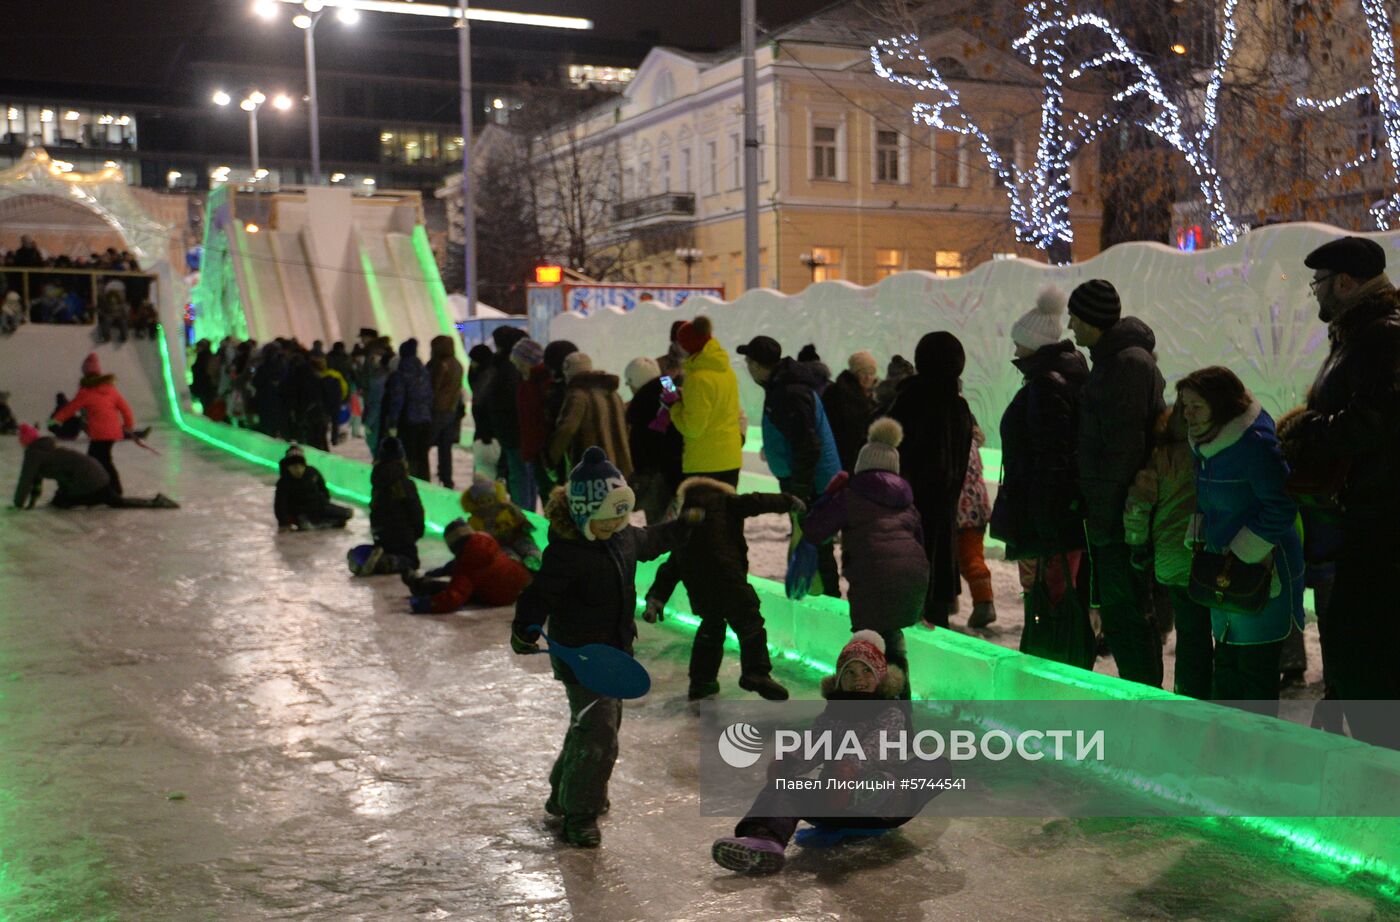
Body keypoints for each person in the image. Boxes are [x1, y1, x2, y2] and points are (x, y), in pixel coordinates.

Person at [510, 447, 699, 848]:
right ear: (583, 513)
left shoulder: (622, 536)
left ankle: (565, 794)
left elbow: (651, 539)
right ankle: (580, 813)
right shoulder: (566, 553)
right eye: (607, 516)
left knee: (591, 726)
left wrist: (683, 525)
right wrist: (525, 629)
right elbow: (539, 594)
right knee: (599, 735)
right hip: (580, 657)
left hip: (614, 655)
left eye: (622, 513)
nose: (617, 523)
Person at [1286, 235, 1400, 746]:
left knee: (1367, 655)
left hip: (1383, 524)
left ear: (1346, 283)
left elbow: (1377, 420)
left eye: (1319, 283)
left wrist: (1311, 432)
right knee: (1359, 654)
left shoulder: (1383, 337)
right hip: (1366, 521)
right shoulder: (1362, 335)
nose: (1314, 293)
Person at [711, 631, 946, 875]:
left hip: (882, 808)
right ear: (840, 679)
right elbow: (814, 743)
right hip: (834, 802)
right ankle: (764, 843)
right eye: (850, 673)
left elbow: (877, 747)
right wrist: (789, 762)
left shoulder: (891, 713)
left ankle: (873, 791)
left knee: (933, 765)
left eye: (867, 672)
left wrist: (849, 769)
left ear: (880, 677)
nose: (859, 679)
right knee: (784, 788)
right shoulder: (833, 715)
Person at [1179, 367, 1303, 710]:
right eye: (1185, 405)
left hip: (1261, 574)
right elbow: (1206, 500)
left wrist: (1246, 549)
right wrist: (1200, 533)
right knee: (1227, 667)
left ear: (1220, 405)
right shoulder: (1204, 446)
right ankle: (1227, 752)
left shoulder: (1254, 445)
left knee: (1254, 673)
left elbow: (1282, 504)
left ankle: (1257, 755)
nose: (1187, 414)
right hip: (1224, 572)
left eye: (1196, 406)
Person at [1068, 279, 1166, 687]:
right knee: (1125, 616)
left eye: (1076, 316)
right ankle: (1139, 697)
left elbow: (1122, 452)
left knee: (1128, 616)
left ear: (1092, 319)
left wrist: (1109, 523)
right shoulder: (1115, 361)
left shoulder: (1124, 365)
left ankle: (1143, 703)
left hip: (1122, 520)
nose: (1071, 325)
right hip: (1118, 515)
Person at [990, 287, 1092, 667]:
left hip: (1049, 509)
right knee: (1059, 585)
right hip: (1061, 507)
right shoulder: (1068, 375)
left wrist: (1042, 513)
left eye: (1019, 344)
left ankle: (1052, 655)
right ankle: (1058, 651)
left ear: (1034, 344)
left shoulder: (1047, 384)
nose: (1016, 352)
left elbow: (1051, 454)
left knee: (1051, 588)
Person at [797, 419, 929, 697]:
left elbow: (814, 530)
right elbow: (920, 542)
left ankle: (875, 722)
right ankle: (901, 716)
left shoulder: (850, 495)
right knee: (891, 639)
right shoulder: (907, 500)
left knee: (868, 651)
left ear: (861, 465)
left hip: (872, 577)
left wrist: (823, 499)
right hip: (913, 576)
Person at [643, 476, 802, 701]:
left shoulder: (685, 527)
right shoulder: (725, 502)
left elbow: (670, 568)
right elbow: (757, 501)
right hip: (727, 575)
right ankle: (755, 672)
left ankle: (701, 683)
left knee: (712, 626)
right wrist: (788, 500)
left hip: (699, 586)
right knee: (750, 623)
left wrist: (655, 599)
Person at [738, 335, 842, 597]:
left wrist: (800, 491)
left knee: (816, 543)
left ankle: (827, 601)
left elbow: (808, 445)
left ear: (760, 365)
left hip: (812, 483)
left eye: (749, 362)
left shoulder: (787, 393)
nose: (748, 368)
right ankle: (820, 596)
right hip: (811, 479)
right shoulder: (783, 386)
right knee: (813, 542)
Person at [886, 332, 974, 626]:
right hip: (942, 521)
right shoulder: (959, 407)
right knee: (935, 611)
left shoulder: (908, 401)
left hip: (906, 520)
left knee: (903, 611)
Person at [1124, 405, 1202, 696]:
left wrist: (1136, 543)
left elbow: (1138, 504)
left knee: (1189, 630)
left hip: (1171, 554)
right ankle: (1204, 693)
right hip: (1209, 554)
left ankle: (1188, 690)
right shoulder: (1211, 455)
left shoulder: (1163, 457)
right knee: (1206, 630)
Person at [13, 425, 177, 509]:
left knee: (115, 502)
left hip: (90, 483)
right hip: (97, 477)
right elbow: (39, 478)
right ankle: (156, 502)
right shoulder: (46, 448)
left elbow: (26, 478)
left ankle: (156, 503)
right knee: (115, 501)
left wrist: (19, 504)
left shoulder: (34, 453)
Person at [666, 316, 744, 486]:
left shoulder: (697, 378)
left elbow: (692, 428)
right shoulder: (726, 370)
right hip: (730, 458)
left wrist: (675, 407)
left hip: (704, 461)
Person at [51, 353, 137, 495]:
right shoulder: (110, 389)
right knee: (101, 459)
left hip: (100, 433)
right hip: (113, 432)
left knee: (98, 461)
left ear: (85, 374)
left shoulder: (86, 391)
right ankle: (109, 488)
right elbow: (125, 408)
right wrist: (128, 424)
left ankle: (111, 489)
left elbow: (71, 408)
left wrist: (56, 419)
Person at [405, 518, 531, 614]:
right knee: (461, 574)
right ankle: (425, 579)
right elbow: (457, 565)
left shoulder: (468, 565)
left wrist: (427, 604)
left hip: (500, 596)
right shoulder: (484, 543)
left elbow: (454, 597)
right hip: (516, 586)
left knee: (453, 586)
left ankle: (423, 585)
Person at [545, 353, 633, 478]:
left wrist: (550, 460)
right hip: (620, 469)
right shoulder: (614, 394)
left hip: (593, 470)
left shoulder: (578, 396)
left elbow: (566, 429)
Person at [348, 437, 425, 576]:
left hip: (380, 534)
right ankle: (386, 562)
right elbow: (415, 511)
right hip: (402, 535)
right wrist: (417, 533)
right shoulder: (405, 483)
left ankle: (361, 556)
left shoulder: (377, 481)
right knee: (412, 561)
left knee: (385, 548)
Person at [623, 356, 684, 523]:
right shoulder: (671, 389)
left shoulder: (642, 403)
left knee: (658, 526)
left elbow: (645, 442)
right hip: (679, 468)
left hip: (657, 473)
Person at [485, 326, 535, 509]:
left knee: (519, 475)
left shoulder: (507, 368)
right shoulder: (507, 367)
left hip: (513, 432)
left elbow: (509, 401)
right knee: (520, 474)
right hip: (513, 431)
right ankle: (524, 513)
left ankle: (522, 516)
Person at [956, 425, 996, 629]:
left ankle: (984, 604)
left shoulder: (954, 438)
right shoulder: (970, 441)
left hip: (963, 509)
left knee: (970, 559)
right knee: (969, 556)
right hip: (976, 506)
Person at [458, 474, 542, 570]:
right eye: (482, 502)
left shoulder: (506, 508)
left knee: (525, 544)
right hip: (498, 543)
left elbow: (520, 518)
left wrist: (522, 524)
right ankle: (513, 563)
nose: (486, 504)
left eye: (489, 500)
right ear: (475, 503)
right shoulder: (475, 519)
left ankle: (533, 558)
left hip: (516, 535)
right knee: (504, 552)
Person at [384, 339, 433, 480]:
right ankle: (425, 482)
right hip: (425, 419)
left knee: (409, 454)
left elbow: (397, 399)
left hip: (408, 420)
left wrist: (392, 421)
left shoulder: (401, 373)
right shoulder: (424, 372)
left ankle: (411, 481)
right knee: (423, 455)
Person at [822, 351, 879, 473]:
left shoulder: (877, 397)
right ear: (854, 374)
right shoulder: (836, 394)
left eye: (872, 372)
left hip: (866, 460)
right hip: (843, 460)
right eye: (863, 372)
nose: (868, 377)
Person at [274, 444, 353, 531]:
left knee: (346, 513)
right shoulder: (284, 482)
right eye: (294, 467)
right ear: (288, 467)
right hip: (300, 512)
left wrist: (323, 501)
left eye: (301, 466)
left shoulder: (312, 473)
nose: (298, 470)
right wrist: (285, 521)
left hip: (318, 507)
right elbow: (280, 506)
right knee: (303, 521)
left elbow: (324, 490)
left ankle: (323, 522)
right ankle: (313, 522)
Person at [512, 338, 551, 509]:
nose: (517, 367)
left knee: (547, 497)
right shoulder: (529, 382)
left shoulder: (538, 383)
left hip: (541, 451)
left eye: (518, 362)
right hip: (534, 450)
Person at [427, 334, 465, 489]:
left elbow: (433, 388)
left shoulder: (440, 365)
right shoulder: (457, 364)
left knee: (424, 444)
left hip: (437, 411)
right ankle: (446, 478)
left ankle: (423, 476)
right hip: (452, 411)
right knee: (445, 448)